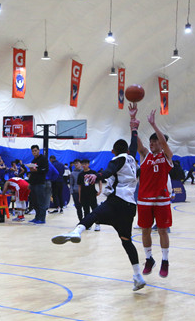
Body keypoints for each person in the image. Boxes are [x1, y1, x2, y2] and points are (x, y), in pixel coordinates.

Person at [52, 117, 145, 291]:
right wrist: (134, 128)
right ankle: (138, 276)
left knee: (93, 214)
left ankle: (77, 231)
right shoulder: (132, 159)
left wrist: (97, 176)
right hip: (130, 207)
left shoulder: (117, 160)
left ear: (113, 151)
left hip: (117, 202)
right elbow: (133, 146)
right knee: (126, 241)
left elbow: (109, 171)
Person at [130, 103, 173, 278]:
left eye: (156, 141)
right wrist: (133, 120)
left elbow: (163, 142)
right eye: (151, 140)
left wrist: (154, 124)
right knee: (145, 230)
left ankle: (165, 260)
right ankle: (149, 259)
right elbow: (137, 142)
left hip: (161, 199)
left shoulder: (167, 156)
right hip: (144, 200)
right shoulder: (145, 155)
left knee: (162, 230)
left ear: (161, 144)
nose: (153, 143)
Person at [27, 145, 50, 224]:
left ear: (38, 151)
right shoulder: (33, 160)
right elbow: (33, 172)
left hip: (40, 183)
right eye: (33, 151)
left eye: (35, 151)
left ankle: (42, 219)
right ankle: (37, 217)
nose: (34, 152)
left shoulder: (43, 159)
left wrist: (37, 170)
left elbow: (45, 169)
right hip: (33, 183)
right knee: (34, 202)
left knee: (41, 202)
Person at [77, 159, 101, 231]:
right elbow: (80, 186)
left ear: (88, 164)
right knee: (86, 210)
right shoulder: (80, 174)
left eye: (85, 164)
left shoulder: (93, 173)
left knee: (95, 210)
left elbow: (99, 180)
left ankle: (97, 224)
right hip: (84, 195)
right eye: (83, 164)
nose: (84, 165)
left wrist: (100, 190)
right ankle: (88, 225)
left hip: (92, 194)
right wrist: (79, 196)